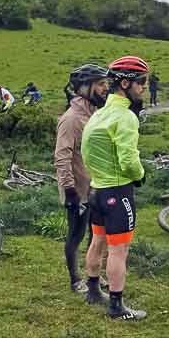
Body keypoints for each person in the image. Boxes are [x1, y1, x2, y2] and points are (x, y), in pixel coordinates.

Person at [82, 55, 150, 321]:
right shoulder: (126, 117)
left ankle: (92, 291)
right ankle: (116, 306)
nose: (144, 87)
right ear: (124, 83)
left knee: (97, 241)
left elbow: (86, 151)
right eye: (141, 82)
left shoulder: (98, 114)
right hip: (118, 192)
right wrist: (140, 174)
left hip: (97, 190)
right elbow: (129, 160)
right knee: (118, 250)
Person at [55, 63, 109, 294]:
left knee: (97, 234)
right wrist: (69, 191)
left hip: (97, 185)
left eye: (105, 83)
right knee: (76, 235)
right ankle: (75, 280)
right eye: (100, 84)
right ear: (84, 87)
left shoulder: (95, 114)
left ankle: (93, 275)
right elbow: (61, 157)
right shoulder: (71, 119)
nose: (105, 88)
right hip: (77, 190)